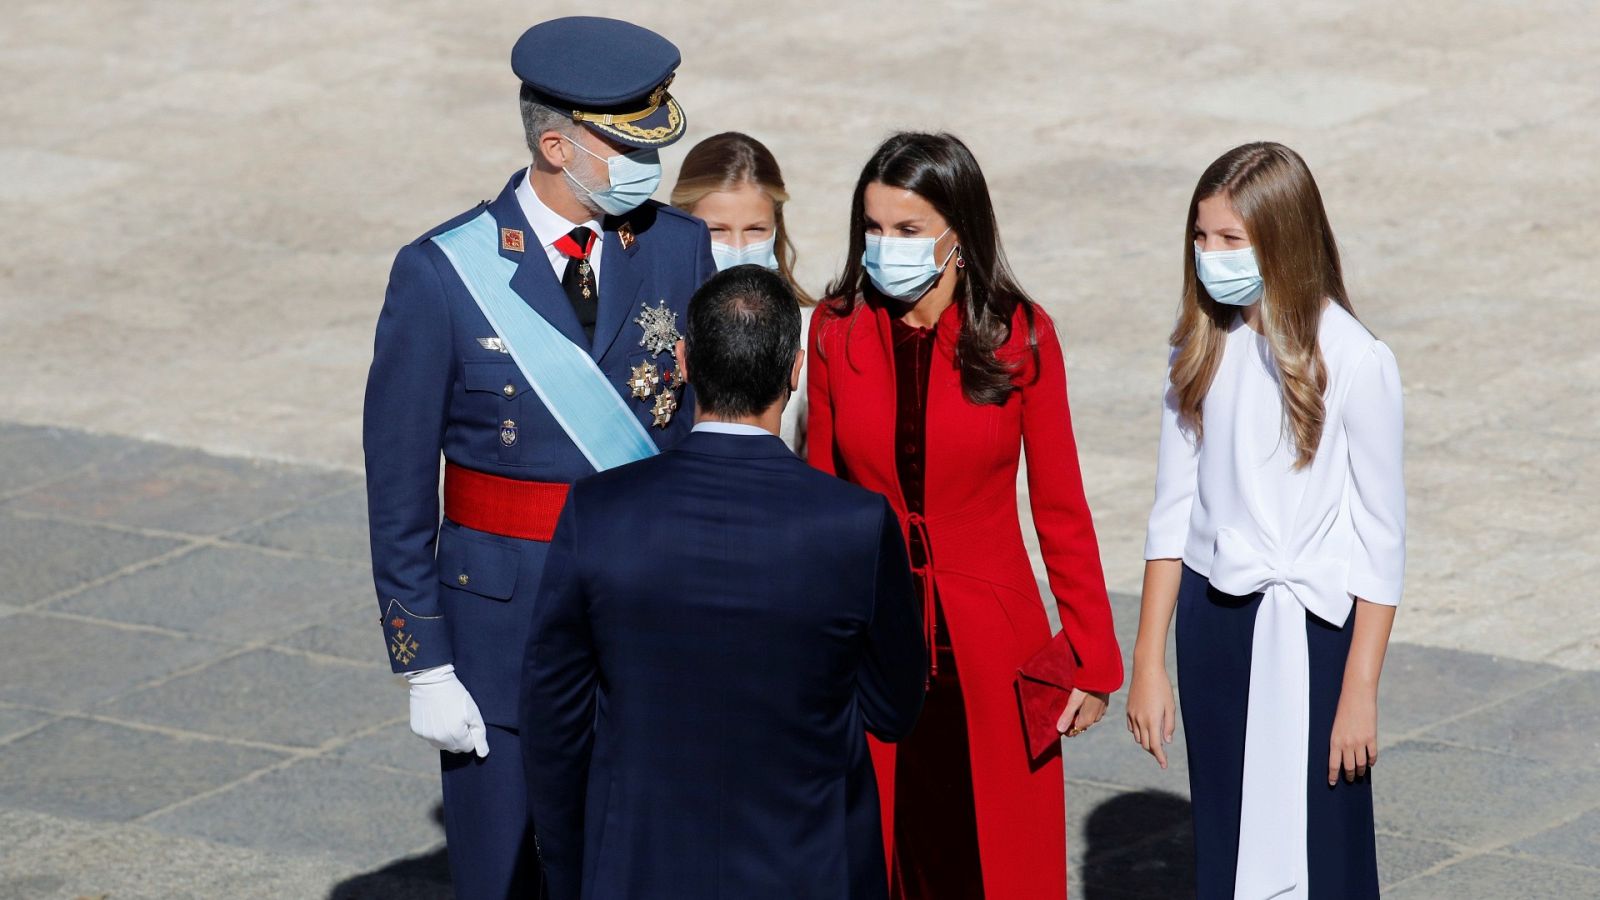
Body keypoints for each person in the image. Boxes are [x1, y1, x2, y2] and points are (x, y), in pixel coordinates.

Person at [362, 16, 714, 897]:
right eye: (625, 145)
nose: (650, 165)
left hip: (644, 614)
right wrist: (425, 662)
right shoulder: (442, 272)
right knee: (501, 875)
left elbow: (704, 437)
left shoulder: (677, 247)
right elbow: (399, 488)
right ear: (557, 145)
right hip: (498, 633)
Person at [521, 264, 927, 900]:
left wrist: (571, 871)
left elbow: (555, 718)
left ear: (682, 360)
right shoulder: (855, 524)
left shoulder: (599, 511)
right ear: (795, 370)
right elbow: (894, 708)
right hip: (808, 868)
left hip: (638, 866)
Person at [807, 132, 1124, 899]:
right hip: (874, 642)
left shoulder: (1021, 333)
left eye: (908, 231)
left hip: (990, 643)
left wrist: (1090, 653)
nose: (886, 248)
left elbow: (1060, 506)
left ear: (959, 234)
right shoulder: (835, 326)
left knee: (997, 864)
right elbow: (819, 500)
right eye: (873, 229)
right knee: (884, 859)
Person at [1124, 142, 1404, 900]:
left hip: (1317, 631)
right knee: (1229, 836)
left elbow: (1381, 539)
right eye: (1202, 237)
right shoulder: (1198, 348)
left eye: (1230, 239)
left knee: (1327, 847)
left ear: (1281, 238)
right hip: (1217, 625)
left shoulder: (1355, 360)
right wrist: (1149, 661)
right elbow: (1172, 512)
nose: (1210, 255)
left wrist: (1361, 688)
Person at [671, 131, 816, 453]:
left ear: (776, 227)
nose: (737, 248)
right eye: (716, 230)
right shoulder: (655, 320)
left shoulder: (809, 330)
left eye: (755, 229)